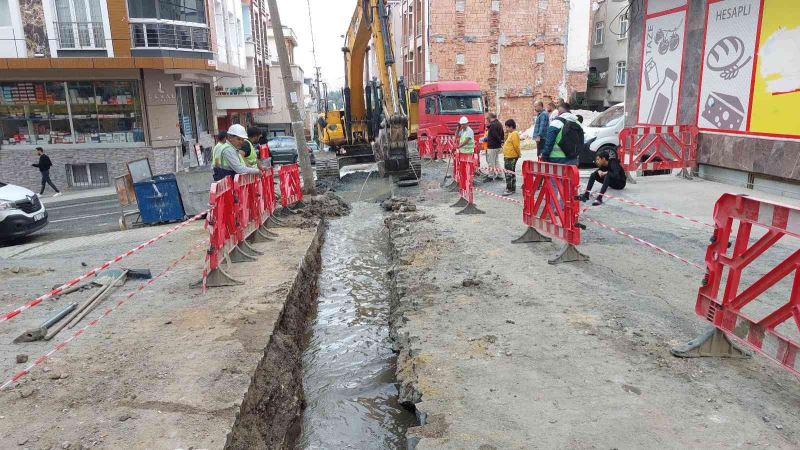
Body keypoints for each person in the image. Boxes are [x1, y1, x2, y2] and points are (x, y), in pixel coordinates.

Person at [501, 119, 521, 196]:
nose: (506, 129)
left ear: (511, 127)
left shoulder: (515, 134)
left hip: (511, 156)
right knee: (509, 172)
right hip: (508, 156)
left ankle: (510, 189)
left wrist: (519, 154)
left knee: (509, 173)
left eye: (507, 127)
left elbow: (516, 146)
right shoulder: (510, 133)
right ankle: (511, 187)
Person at [483, 112, 504, 181]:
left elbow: (494, 136)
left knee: (491, 161)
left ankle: (491, 175)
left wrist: (486, 139)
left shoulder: (493, 125)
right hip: (497, 146)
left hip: (492, 146)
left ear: (490, 117)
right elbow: (501, 135)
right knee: (496, 161)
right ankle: (500, 175)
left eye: (487, 117)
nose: (486, 118)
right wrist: (501, 142)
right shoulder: (499, 123)